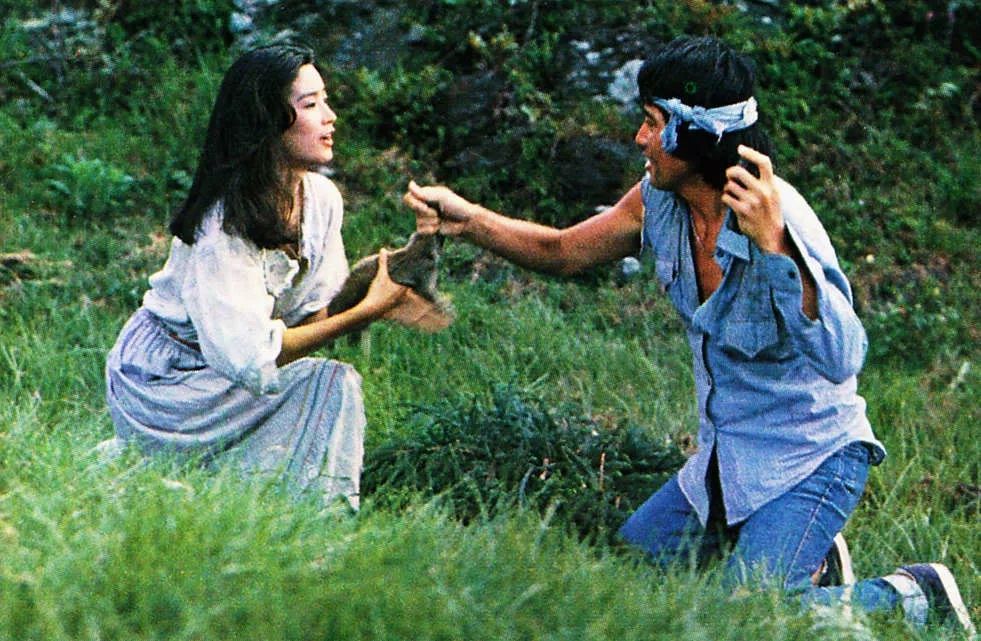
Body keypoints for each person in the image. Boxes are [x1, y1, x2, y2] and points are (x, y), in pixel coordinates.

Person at [403, 36, 975, 632]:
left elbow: (843, 355)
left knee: (743, 619)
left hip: (812, 458)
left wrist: (775, 247)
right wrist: (469, 221)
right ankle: (810, 568)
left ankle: (912, 596)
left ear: (693, 135)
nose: (639, 138)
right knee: (622, 585)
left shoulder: (781, 219)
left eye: (653, 123)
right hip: (725, 464)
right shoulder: (659, 199)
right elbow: (564, 251)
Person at [104, 44, 425, 511]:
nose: (330, 117)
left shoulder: (321, 199)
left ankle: (246, 496)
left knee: (325, 386)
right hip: (161, 382)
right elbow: (253, 357)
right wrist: (366, 312)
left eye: (326, 100)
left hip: (226, 371)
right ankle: (320, 519)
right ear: (267, 121)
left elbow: (313, 316)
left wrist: (390, 275)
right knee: (331, 384)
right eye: (310, 105)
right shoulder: (223, 227)